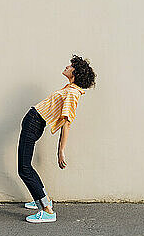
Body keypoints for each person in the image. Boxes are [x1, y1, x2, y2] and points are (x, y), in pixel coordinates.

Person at [17, 54, 96, 223]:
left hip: (34, 124)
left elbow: (67, 123)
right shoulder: (69, 89)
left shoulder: (72, 94)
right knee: (25, 166)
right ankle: (40, 199)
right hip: (33, 123)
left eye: (71, 66)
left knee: (23, 168)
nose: (67, 66)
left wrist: (60, 150)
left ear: (76, 73)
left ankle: (47, 209)